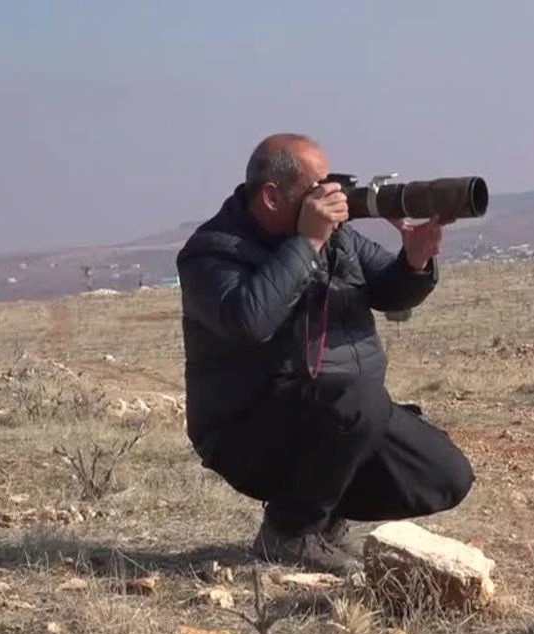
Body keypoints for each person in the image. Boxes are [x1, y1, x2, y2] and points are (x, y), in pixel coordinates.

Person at [175, 133, 475, 576]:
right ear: (273, 196)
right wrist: (306, 244)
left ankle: (320, 514)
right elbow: (248, 320)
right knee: (360, 402)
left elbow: (390, 292)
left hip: (335, 415)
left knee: (444, 473)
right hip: (247, 430)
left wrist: (413, 262)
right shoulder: (212, 252)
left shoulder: (339, 241)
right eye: (318, 186)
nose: (331, 195)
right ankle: (289, 531)